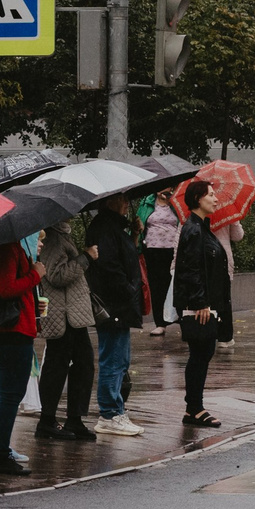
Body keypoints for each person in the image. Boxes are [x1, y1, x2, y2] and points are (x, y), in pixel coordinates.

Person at [0, 237, 40, 476]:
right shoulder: (5, 248)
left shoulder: (3, 246)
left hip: (8, 329)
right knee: (11, 395)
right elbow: (6, 289)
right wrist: (35, 275)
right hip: (12, 330)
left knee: (8, 395)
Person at [171, 184, 233, 428]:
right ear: (198, 198)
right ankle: (194, 409)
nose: (216, 199)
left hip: (206, 304)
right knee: (200, 354)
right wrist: (200, 302)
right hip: (199, 306)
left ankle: (194, 408)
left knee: (203, 353)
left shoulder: (201, 227)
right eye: (211, 195)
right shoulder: (193, 229)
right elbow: (191, 269)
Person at [85, 197, 146, 437]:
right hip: (114, 306)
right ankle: (110, 414)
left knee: (120, 360)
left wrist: (134, 235)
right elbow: (110, 267)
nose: (126, 203)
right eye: (121, 199)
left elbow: (124, 258)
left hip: (119, 306)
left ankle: (115, 411)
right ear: (109, 201)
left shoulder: (113, 227)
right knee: (113, 359)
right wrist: (128, 290)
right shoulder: (105, 228)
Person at [35, 222, 98, 442]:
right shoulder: (53, 238)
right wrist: (86, 257)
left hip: (72, 315)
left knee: (83, 364)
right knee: (57, 365)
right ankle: (47, 420)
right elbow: (56, 275)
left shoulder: (61, 234)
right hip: (62, 315)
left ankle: (74, 419)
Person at [142, 189, 180, 335]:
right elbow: (140, 221)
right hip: (152, 250)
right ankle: (160, 323)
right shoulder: (147, 203)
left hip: (173, 250)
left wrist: (173, 201)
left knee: (174, 284)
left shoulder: (176, 203)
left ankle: (179, 317)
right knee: (156, 286)